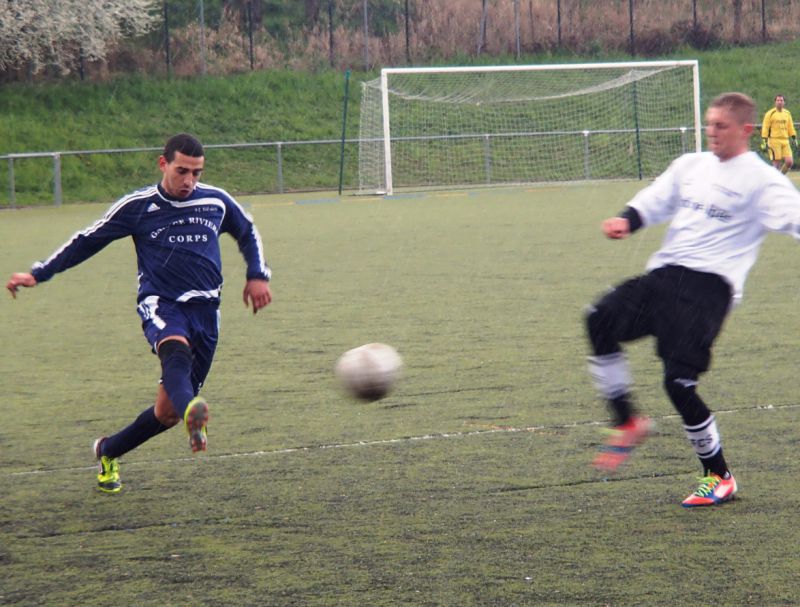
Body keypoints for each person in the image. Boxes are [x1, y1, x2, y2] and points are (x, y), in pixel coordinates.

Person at [6, 133, 272, 494]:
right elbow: (88, 240)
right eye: (182, 171)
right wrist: (38, 273)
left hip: (207, 312)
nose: (189, 180)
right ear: (163, 164)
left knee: (166, 413)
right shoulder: (138, 206)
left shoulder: (216, 201)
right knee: (175, 353)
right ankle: (193, 413)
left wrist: (257, 275)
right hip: (161, 303)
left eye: (196, 172)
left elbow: (247, 231)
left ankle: (108, 450)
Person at [584, 92, 800, 507]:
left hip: (709, 290)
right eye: (709, 123)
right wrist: (626, 220)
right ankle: (627, 422)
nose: (712, 132)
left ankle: (719, 476)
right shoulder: (691, 165)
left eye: (721, 126)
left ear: (745, 130)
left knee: (678, 382)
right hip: (665, 276)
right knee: (599, 318)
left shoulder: (763, 181)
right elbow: (656, 199)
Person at [760, 94, 796, 174]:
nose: (779, 102)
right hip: (774, 140)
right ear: (775, 102)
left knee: (789, 162)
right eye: (778, 100)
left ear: (784, 102)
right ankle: (774, 179)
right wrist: (764, 140)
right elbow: (765, 127)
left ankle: (780, 177)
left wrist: (793, 137)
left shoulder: (787, 113)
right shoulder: (770, 113)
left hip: (785, 140)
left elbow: (790, 127)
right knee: (776, 164)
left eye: (781, 100)